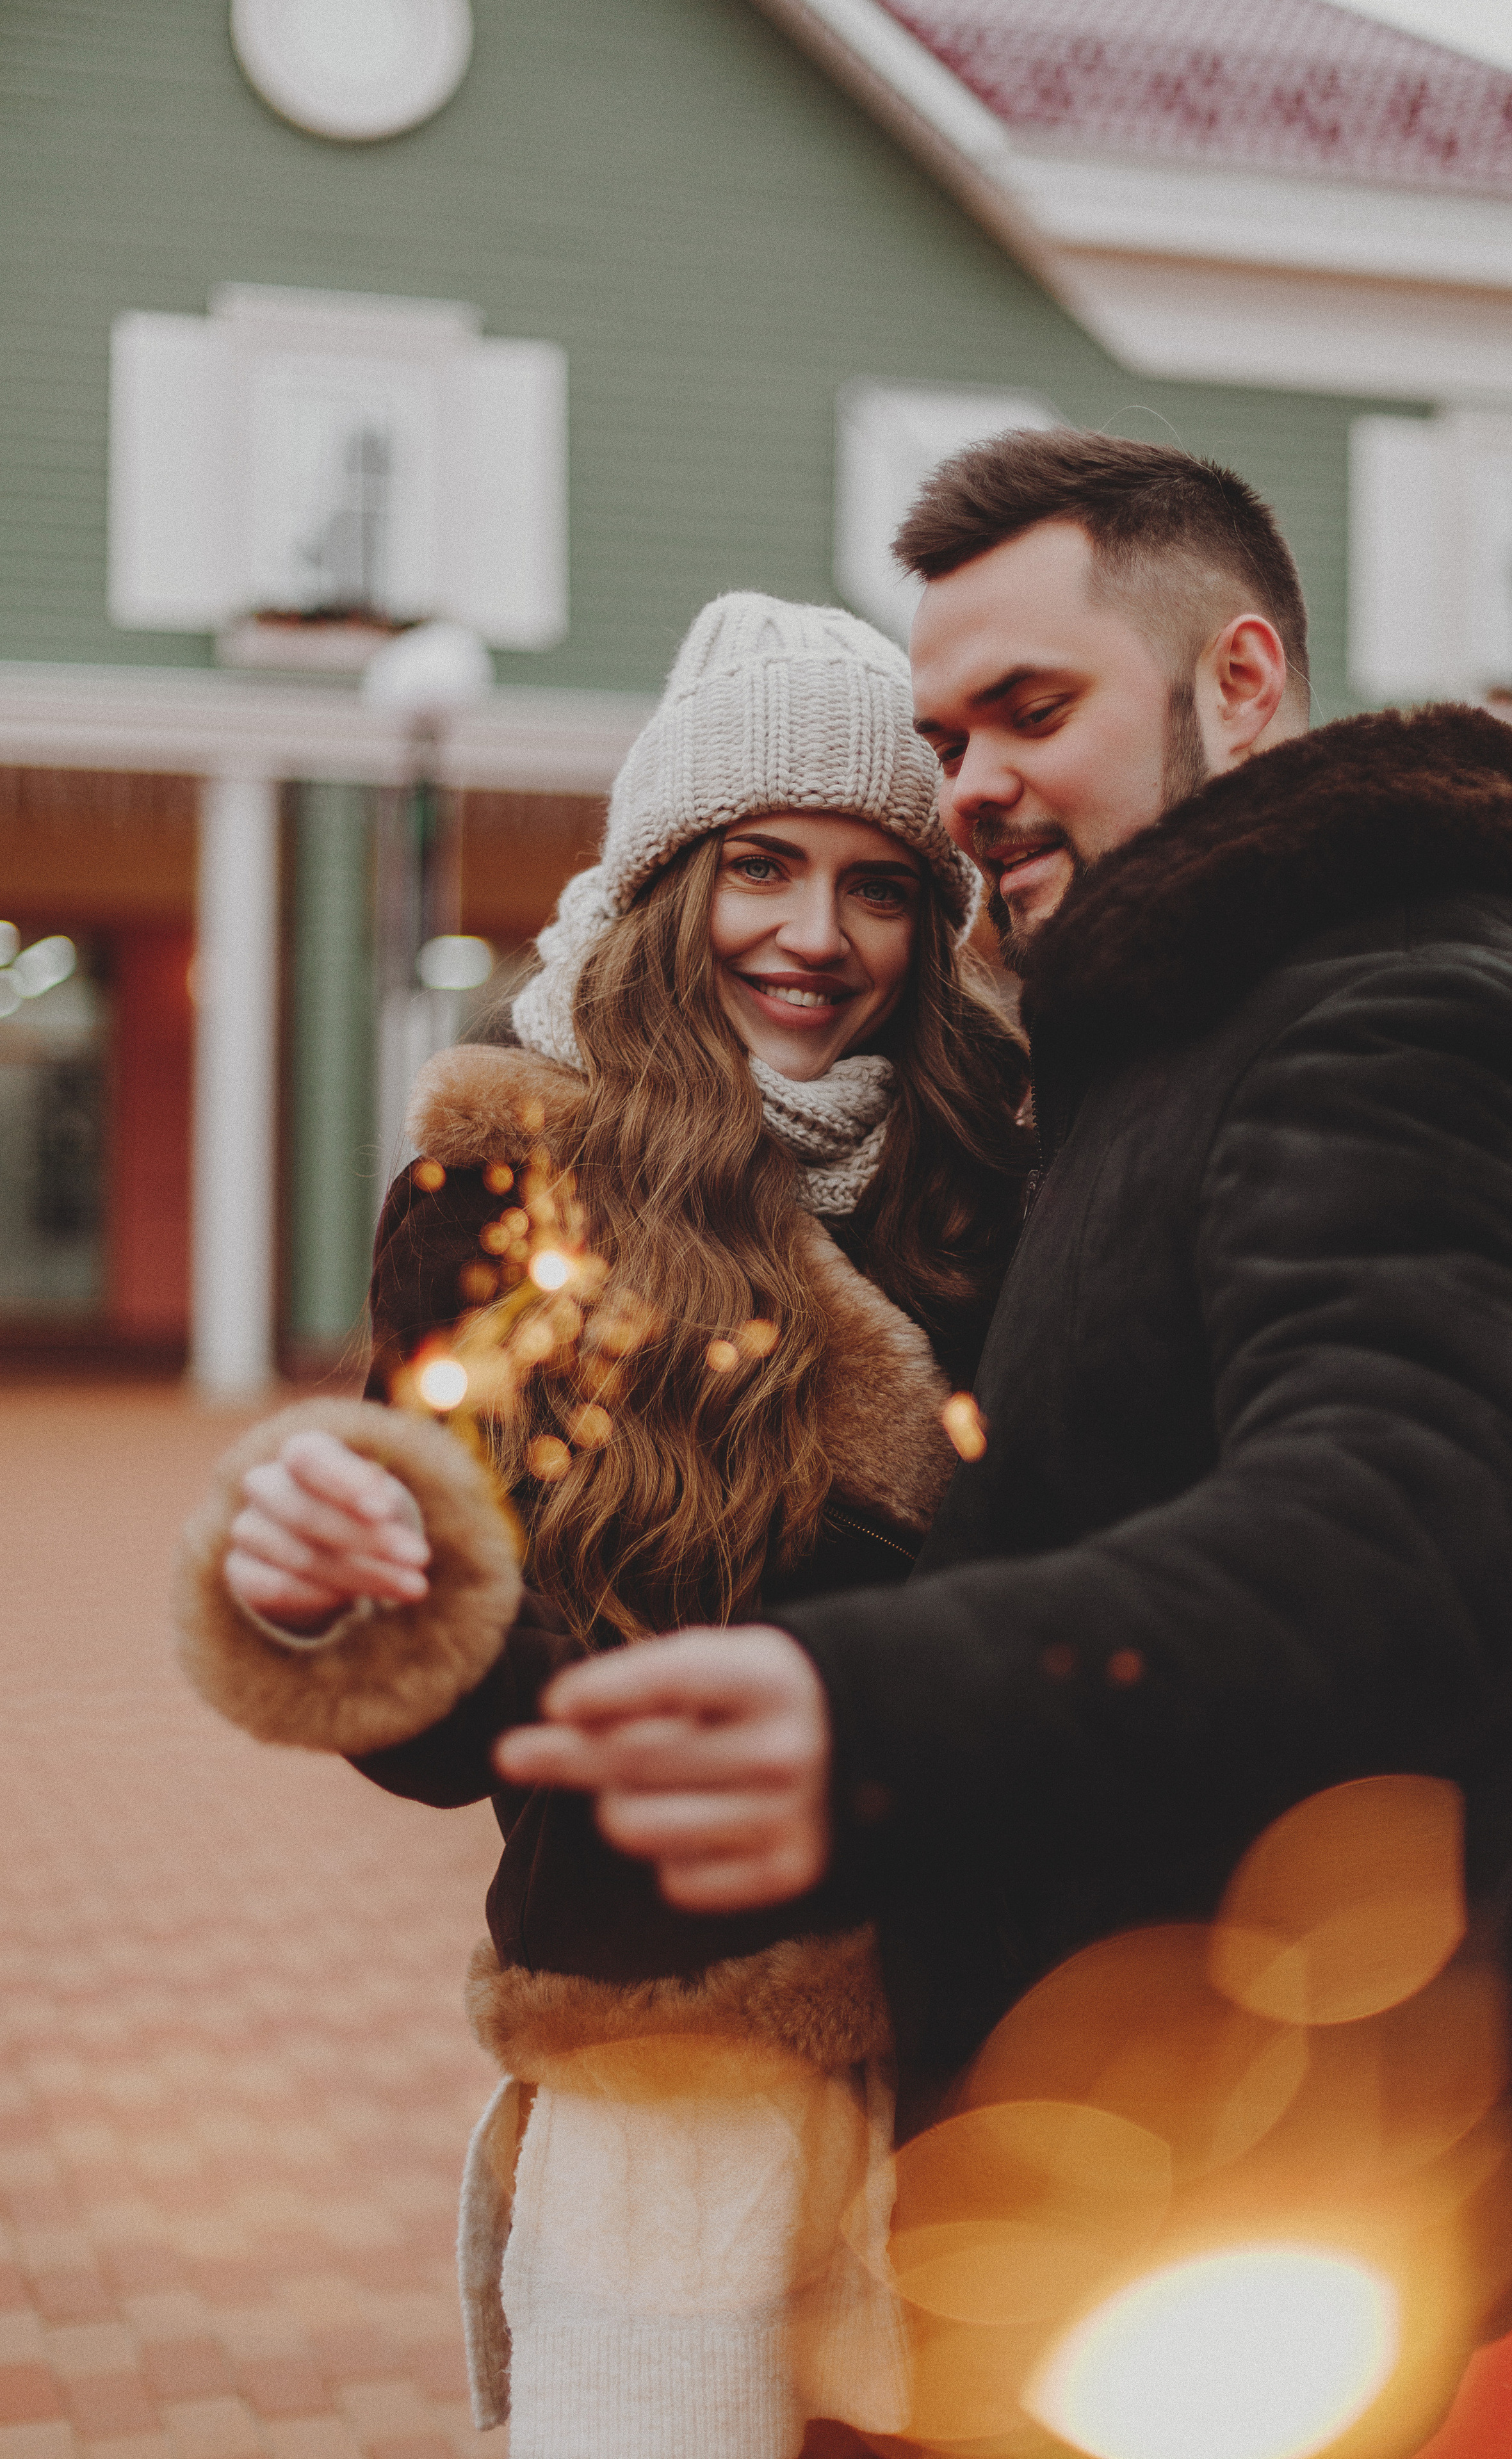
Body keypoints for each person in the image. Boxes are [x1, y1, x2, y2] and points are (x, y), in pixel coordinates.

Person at [492, 434, 1512, 2432]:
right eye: (950, 732)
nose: (974, 787)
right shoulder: (1150, 1047)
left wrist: (864, 1710)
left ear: (1244, 680)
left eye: (1036, 708)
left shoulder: (1396, 1013)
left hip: (1274, 2203)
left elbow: (1405, 1528)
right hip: (1098, 2184)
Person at [174, 592, 1030, 2459]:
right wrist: (362, 1610)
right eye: (760, 867)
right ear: (665, 884)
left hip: (999, 2053)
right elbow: (463, 1730)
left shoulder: (989, 1185)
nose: (816, 935)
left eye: (881, 882)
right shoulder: (504, 1197)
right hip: (673, 2054)